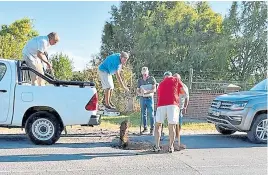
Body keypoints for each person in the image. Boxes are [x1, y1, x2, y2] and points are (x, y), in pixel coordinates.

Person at [153, 71, 185, 153]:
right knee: (172, 126)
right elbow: (183, 91)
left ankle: (157, 146)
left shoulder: (160, 84)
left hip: (161, 105)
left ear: (164, 77)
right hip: (172, 105)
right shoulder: (176, 79)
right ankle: (171, 147)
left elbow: (159, 96)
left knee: (158, 126)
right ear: (171, 76)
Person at [137, 67, 156, 135]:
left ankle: (152, 129)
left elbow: (154, 89)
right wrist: (140, 93)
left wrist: (146, 91)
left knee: (151, 114)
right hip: (142, 98)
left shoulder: (151, 79)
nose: (144, 74)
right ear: (142, 72)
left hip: (150, 98)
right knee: (143, 114)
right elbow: (138, 90)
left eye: (146, 73)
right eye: (143, 73)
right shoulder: (140, 80)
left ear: (148, 72)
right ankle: (145, 128)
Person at [173, 73, 189, 151]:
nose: (175, 80)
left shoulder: (183, 86)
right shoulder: (172, 86)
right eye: (174, 78)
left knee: (178, 121)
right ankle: (173, 136)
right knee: (173, 122)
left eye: (176, 78)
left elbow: (186, 98)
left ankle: (177, 136)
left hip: (179, 107)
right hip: (173, 106)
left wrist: (185, 107)